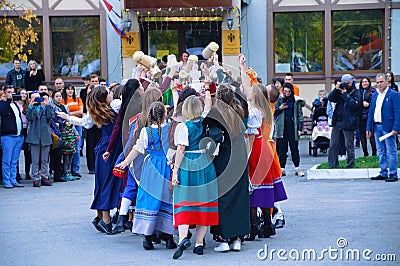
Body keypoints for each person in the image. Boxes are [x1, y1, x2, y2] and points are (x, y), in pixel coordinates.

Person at [116, 101, 176, 250]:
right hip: (166, 167)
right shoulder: (169, 129)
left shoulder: (146, 131)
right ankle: (169, 238)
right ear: (164, 114)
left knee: (149, 199)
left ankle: (147, 238)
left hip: (150, 168)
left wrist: (125, 162)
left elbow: (137, 149)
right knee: (167, 199)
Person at [203, 84, 250, 252]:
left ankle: (223, 239)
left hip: (223, 157)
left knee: (223, 196)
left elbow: (214, 137)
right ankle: (237, 238)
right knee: (239, 196)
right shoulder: (239, 110)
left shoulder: (216, 114)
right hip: (239, 155)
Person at [171, 94, 217, 260]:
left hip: (189, 163)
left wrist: (175, 171)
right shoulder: (205, 122)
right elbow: (208, 107)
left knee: (184, 199)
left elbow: (181, 150)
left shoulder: (183, 127)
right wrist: (206, 92)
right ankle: (199, 243)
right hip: (204, 162)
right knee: (202, 202)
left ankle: (183, 238)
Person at [367, 73, 400, 182]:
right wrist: (369, 128)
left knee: (391, 150)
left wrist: (396, 128)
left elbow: (397, 112)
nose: (379, 84)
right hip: (376, 126)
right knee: (380, 150)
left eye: (381, 82)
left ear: (386, 81)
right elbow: (371, 112)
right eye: (377, 82)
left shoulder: (394, 94)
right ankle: (383, 172)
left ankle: (393, 174)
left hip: (389, 127)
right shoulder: (375, 95)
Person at [327, 74, 362, 168]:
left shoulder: (356, 92)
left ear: (352, 82)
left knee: (348, 145)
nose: (346, 85)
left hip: (348, 122)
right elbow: (330, 98)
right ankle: (332, 164)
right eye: (344, 83)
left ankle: (350, 164)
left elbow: (354, 105)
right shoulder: (339, 91)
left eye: (348, 83)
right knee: (333, 144)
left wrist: (345, 94)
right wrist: (336, 89)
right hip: (337, 121)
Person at [274, 83, 305, 176]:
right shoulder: (279, 99)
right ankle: (282, 169)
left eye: (288, 91)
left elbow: (300, 115)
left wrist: (300, 128)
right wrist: (280, 108)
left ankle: (297, 168)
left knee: (294, 148)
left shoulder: (296, 101)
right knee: (282, 150)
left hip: (292, 127)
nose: (286, 93)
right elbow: (273, 112)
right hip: (281, 128)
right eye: (285, 91)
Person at [26, 91, 55, 187]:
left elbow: (51, 116)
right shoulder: (31, 108)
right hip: (34, 137)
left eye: (38, 98)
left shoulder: (45, 108)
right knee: (35, 160)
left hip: (45, 136)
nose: (37, 100)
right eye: (34, 98)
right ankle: (35, 178)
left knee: (44, 159)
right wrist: (30, 106)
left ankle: (44, 177)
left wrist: (48, 105)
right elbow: (29, 118)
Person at [0, 86, 25, 188]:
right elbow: (4, 113)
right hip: (8, 136)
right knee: (7, 160)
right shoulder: (2, 104)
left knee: (14, 160)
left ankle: (13, 179)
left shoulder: (15, 104)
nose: (12, 94)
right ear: (5, 93)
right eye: (9, 92)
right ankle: (6, 180)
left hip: (18, 136)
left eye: (13, 92)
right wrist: (8, 100)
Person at [61, 84, 83, 178]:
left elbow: (81, 112)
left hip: (78, 125)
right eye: (68, 89)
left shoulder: (78, 99)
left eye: (72, 89)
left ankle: (75, 169)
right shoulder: (63, 100)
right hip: (67, 126)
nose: (70, 91)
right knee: (67, 149)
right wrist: (72, 115)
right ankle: (67, 170)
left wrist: (69, 114)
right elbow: (64, 113)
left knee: (77, 148)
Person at [358, 77, 377, 157]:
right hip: (360, 116)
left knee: (371, 134)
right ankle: (365, 153)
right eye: (363, 82)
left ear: (369, 82)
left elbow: (375, 102)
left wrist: (369, 104)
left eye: (366, 82)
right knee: (362, 134)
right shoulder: (359, 91)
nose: (364, 83)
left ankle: (374, 152)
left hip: (369, 116)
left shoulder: (373, 91)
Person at [15, 89, 31, 181]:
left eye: (25, 93)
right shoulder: (15, 105)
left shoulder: (28, 105)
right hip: (18, 129)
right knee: (16, 152)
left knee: (27, 153)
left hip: (26, 130)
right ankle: (17, 173)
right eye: (22, 93)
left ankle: (27, 172)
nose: (24, 95)